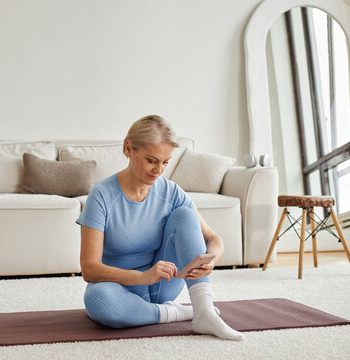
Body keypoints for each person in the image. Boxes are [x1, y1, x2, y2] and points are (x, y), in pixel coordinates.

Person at [76, 115, 244, 341]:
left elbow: (213, 238)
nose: (159, 170)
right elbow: (89, 269)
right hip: (120, 288)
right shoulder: (102, 195)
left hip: (163, 285)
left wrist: (213, 257)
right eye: (151, 160)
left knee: (184, 214)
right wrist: (142, 277)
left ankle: (203, 309)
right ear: (128, 149)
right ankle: (177, 312)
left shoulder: (171, 191)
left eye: (165, 162)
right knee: (98, 301)